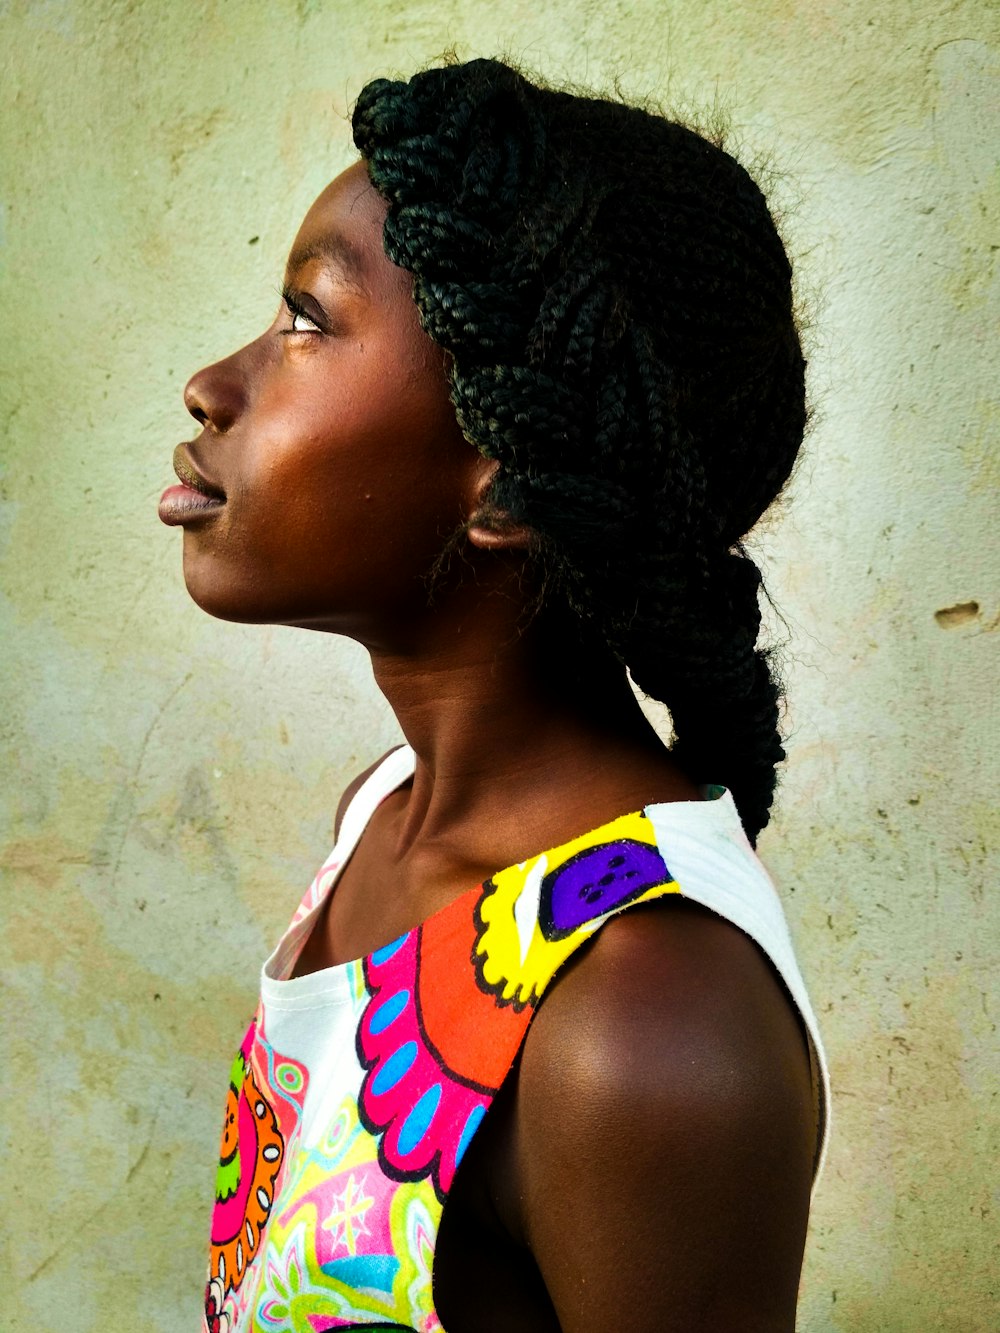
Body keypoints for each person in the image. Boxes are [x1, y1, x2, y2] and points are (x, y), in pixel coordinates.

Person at [160, 56, 829, 1333]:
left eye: (307, 319)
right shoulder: (386, 811)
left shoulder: (639, 1023)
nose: (212, 384)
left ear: (507, 480)